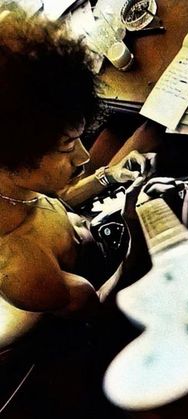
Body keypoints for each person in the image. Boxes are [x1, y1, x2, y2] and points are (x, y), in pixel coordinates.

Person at [0, 4, 156, 325]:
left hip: (93, 225)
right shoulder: (23, 271)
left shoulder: (17, 187)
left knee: (154, 127)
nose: (83, 157)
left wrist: (110, 177)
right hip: (117, 273)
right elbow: (101, 312)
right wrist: (137, 241)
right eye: (67, 147)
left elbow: (54, 203)